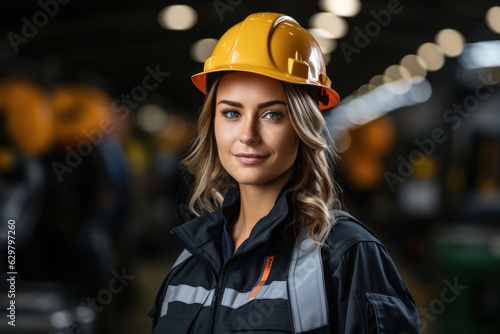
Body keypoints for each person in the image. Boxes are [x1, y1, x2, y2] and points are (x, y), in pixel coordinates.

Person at [149, 12, 421, 333]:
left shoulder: (345, 254)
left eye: (272, 114)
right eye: (232, 113)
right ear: (213, 126)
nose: (248, 134)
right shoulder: (191, 257)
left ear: (303, 128)